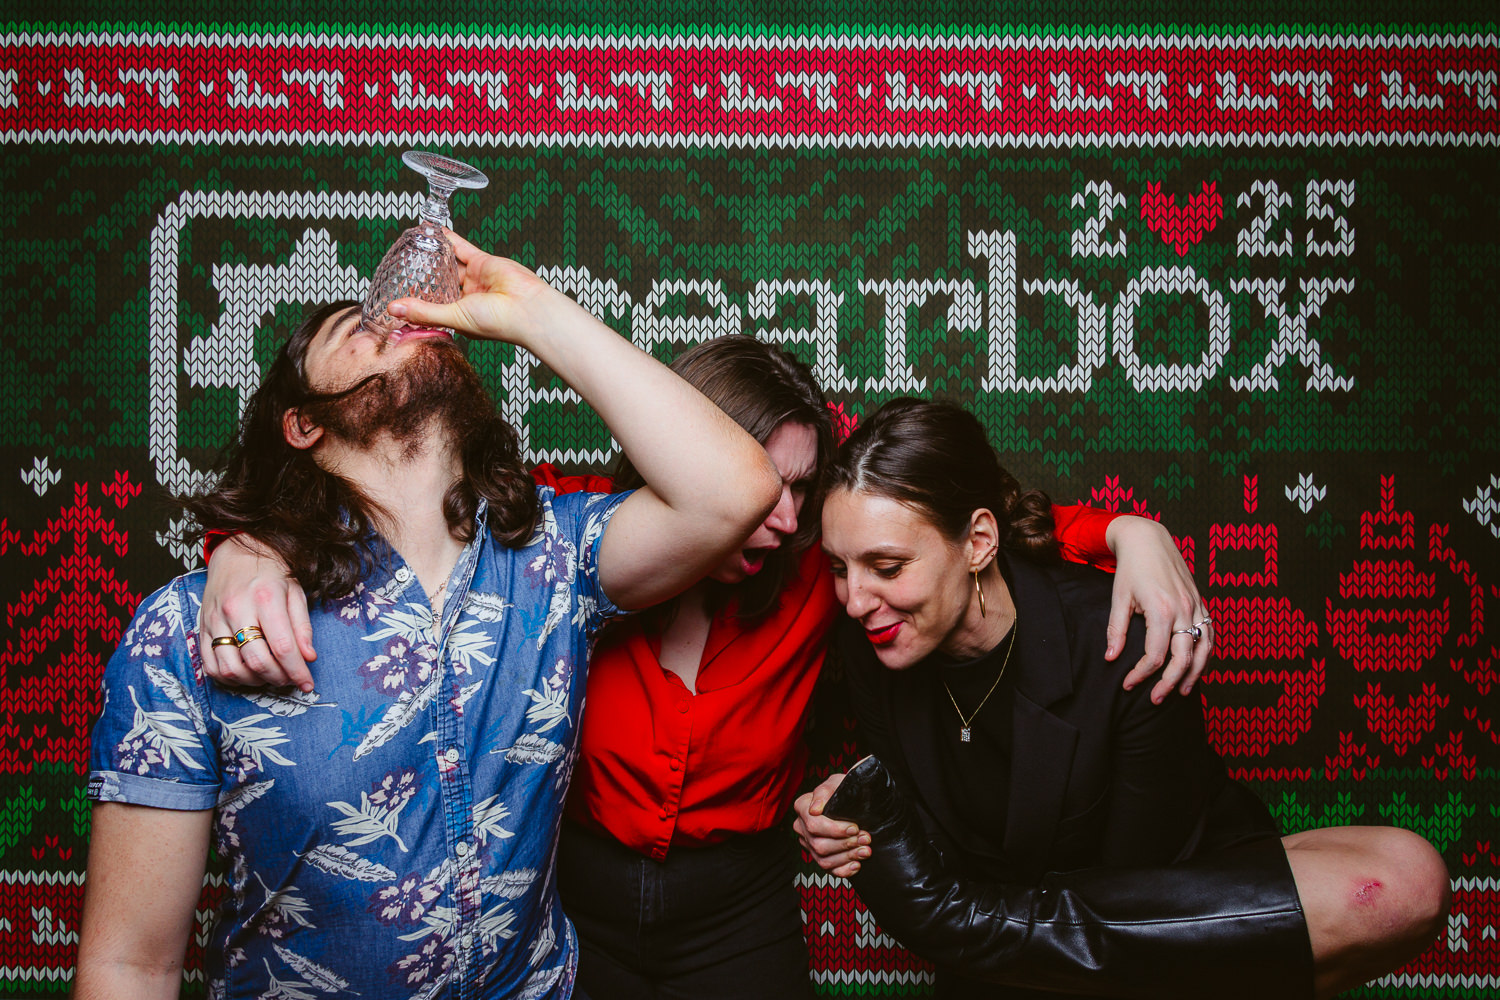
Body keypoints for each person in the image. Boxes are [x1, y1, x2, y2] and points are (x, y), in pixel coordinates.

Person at [196, 350, 1216, 1000]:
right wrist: (246, 550)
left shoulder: (827, 574)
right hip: (579, 901)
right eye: (761, 485)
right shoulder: (567, 544)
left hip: (737, 908)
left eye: (801, 489)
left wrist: (1125, 531)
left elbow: (952, 528)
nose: (781, 518)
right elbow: (404, 527)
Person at [74, 235, 790, 999]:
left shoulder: (555, 560)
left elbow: (736, 490)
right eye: (359, 326)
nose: (398, 316)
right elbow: (131, 964)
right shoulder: (188, 630)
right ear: (303, 424)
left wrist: (533, 310)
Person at [794, 397, 1451, 1000]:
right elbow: (932, 849)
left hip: (1167, 916)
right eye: (839, 568)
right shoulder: (872, 647)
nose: (855, 600)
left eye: (887, 567)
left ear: (979, 542)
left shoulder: (1125, 642)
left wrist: (959, 919)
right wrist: (859, 826)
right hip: (1022, 947)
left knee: (1406, 878)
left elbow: (1139, 893)